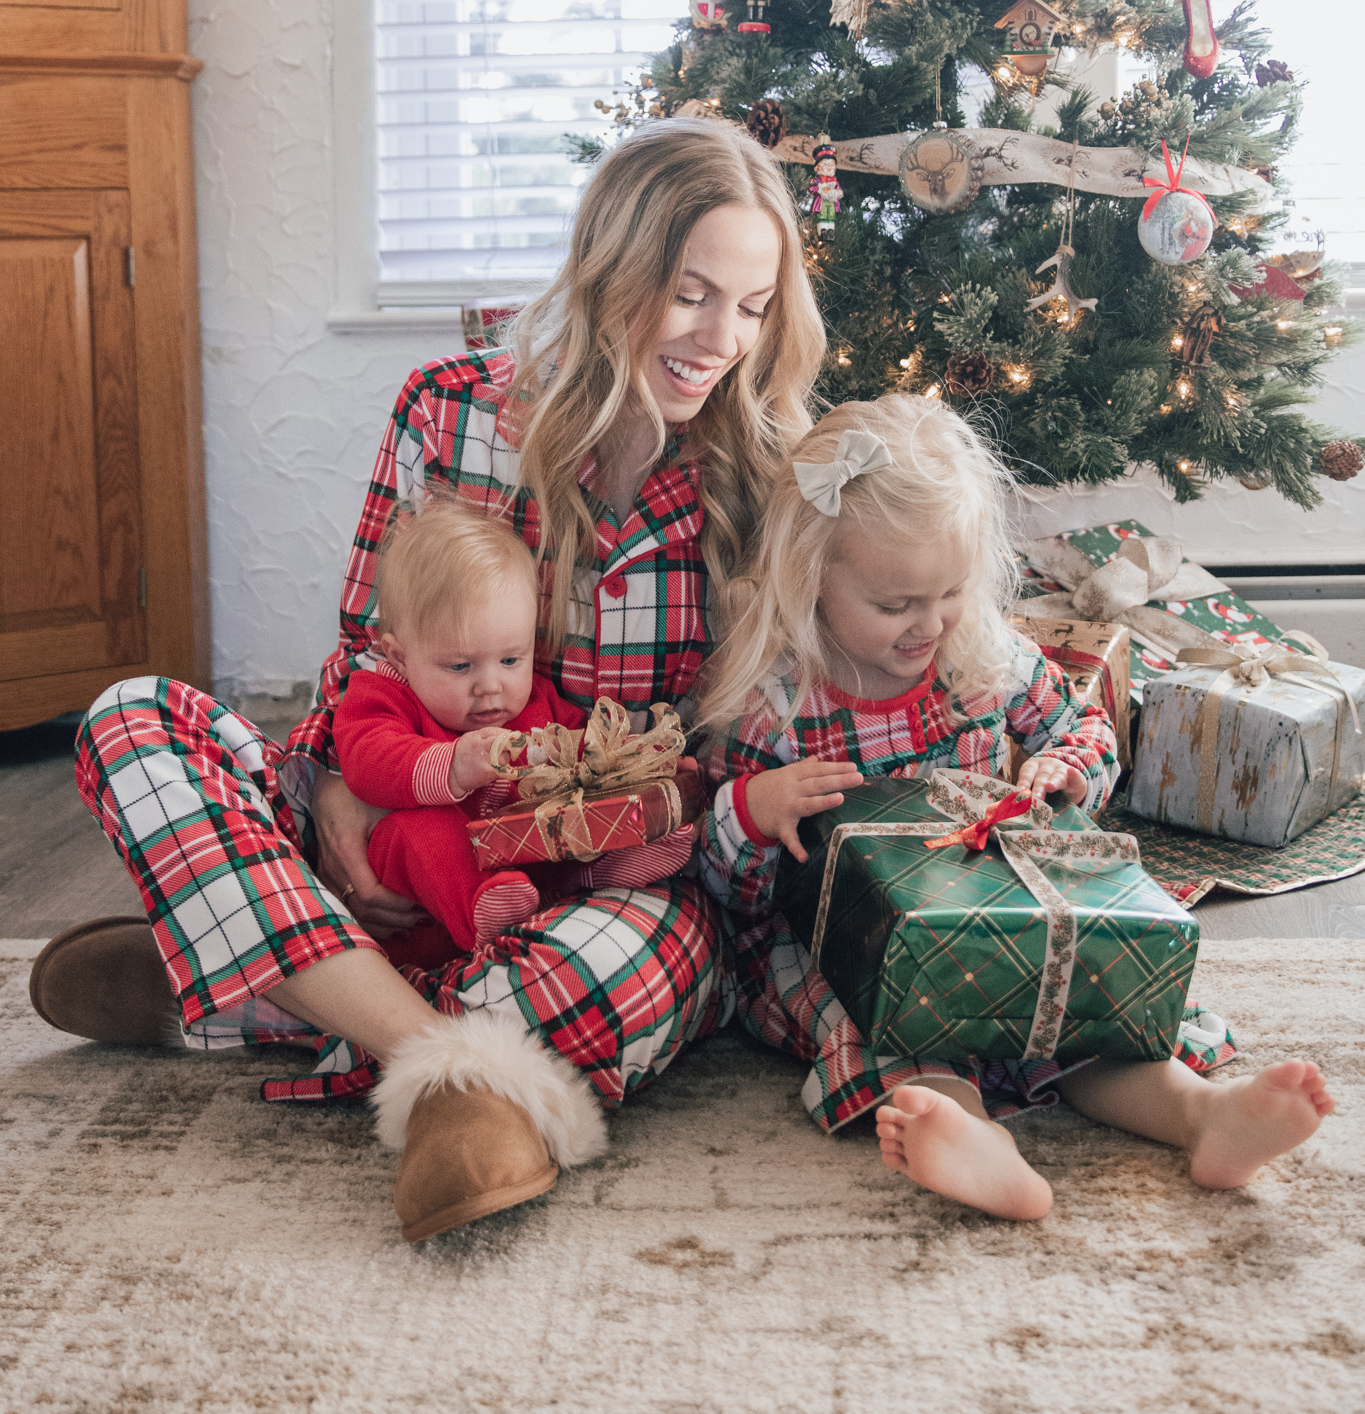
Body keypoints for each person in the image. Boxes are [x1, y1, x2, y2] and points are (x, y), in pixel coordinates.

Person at [31, 119, 827, 1243]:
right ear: (614, 267)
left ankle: (264, 992)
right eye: (691, 292)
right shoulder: (447, 409)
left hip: (586, 893)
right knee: (134, 718)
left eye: (752, 306)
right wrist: (351, 798)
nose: (721, 338)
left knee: (654, 959)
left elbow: (743, 760)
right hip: (397, 816)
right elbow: (365, 657)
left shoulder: (764, 481)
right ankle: (445, 1069)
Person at [697, 394, 1334, 1220]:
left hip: (1000, 903)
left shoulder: (983, 658)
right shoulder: (773, 707)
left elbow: (1087, 729)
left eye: (949, 592)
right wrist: (750, 810)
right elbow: (731, 894)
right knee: (899, 1036)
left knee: (1087, 1005)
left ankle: (1200, 1115)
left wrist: (1069, 770)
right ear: (811, 578)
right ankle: (967, 1137)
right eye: (894, 605)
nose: (927, 624)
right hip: (846, 944)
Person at [331, 492, 695, 950]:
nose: (491, 686)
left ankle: (598, 871)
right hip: (429, 909)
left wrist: (645, 764)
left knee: (569, 813)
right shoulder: (382, 695)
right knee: (418, 831)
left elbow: (586, 750)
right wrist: (453, 764)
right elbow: (367, 762)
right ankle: (481, 912)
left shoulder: (536, 704)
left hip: (528, 873)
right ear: (400, 655)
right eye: (460, 667)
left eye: (510, 659)